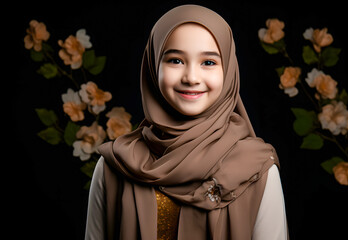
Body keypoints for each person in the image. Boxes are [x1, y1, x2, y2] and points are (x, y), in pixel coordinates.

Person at [85, 4, 288, 240]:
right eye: (175, 60)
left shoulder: (257, 170)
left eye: (209, 62)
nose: (191, 77)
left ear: (229, 71)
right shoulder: (114, 166)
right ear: (153, 66)